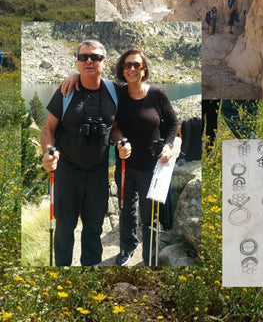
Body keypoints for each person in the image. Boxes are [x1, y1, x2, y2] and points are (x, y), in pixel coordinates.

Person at [41, 40, 127, 266]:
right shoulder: (65, 91)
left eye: (95, 57)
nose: (89, 61)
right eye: (83, 57)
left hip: (98, 173)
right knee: (64, 228)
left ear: (104, 62)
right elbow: (48, 128)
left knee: (94, 228)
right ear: (77, 63)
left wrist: (121, 142)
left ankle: (91, 271)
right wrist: (48, 153)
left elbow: (115, 126)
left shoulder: (114, 91)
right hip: (68, 172)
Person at [112, 48, 179, 266]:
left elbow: (172, 122)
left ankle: (149, 256)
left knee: (149, 214)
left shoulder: (157, 94)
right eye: (127, 65)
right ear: (122, 70)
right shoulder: (117, 93)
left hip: (151, 166)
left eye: (137, 65)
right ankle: (127, 249)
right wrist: (120, 141)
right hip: (125, 164)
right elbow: (114, 126)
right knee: (126, 210)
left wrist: (168, 145)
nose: (132, 69)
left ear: (144, 69)